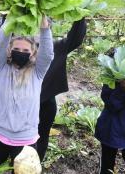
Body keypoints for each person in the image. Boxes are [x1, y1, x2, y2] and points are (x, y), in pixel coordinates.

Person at [0, 16, 54, 167]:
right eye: (16, 49)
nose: (20, 52)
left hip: (26, 138)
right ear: (9, 51)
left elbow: (47, 54)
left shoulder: (37, 72)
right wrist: (11, 18)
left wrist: (44, 27)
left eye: (25, 50)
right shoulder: (1, 67)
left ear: (33, 53)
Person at [37, 19, 87, 161]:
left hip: (46, 102)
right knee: (22, 138)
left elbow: (75, 39)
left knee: (42, 135)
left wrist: (79, 17)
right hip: (24, 103)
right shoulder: (22, 48)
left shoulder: (57, 47)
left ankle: (36, 164)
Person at [95, 47, 125, 174]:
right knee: (107, 164)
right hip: (111, 129)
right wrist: (122, 88)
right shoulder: (110, 80)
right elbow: (112, 104)